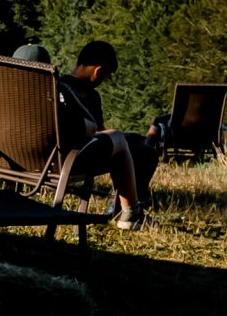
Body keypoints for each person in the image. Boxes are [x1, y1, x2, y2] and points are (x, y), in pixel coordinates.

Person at [57, 39, 157, 229]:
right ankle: (128, 212)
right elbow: (98, 132)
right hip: (73, 159)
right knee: (143, 152)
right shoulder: (90, 95)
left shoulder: (55, 86)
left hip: (51, 157)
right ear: (98, 71)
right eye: (106, 77)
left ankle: (124, 209)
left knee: (136, 143)